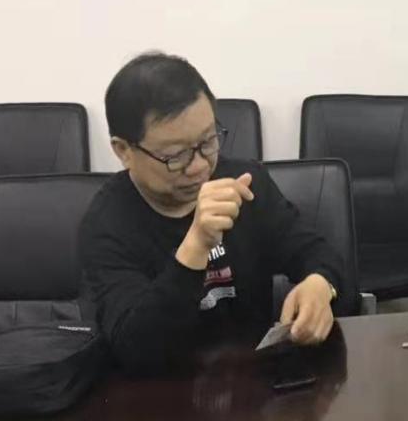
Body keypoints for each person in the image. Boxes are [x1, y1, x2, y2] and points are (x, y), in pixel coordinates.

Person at [79, 52, 348, 373]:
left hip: (253, 379)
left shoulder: (245, 184)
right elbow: (138, 349)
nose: (199, 167)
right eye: (175, 155)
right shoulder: (106, 225)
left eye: (208, 141)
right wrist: (196, 245)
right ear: (123, 150)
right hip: (158, 391)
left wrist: (320, 284)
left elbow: (320, 253)